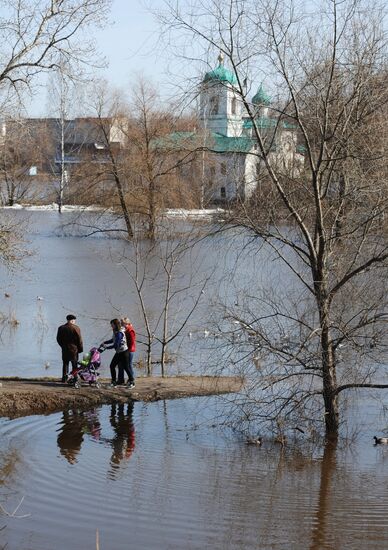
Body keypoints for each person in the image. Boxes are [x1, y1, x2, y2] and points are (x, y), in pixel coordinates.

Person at [100, 318, 133, 387]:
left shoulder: (120, 333)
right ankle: (114, 382)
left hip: (124, 352)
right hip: (119, 352)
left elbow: (116, 345)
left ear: (115, 325)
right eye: (111, 325)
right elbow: (113, 340)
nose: (111, 326)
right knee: (112, 366)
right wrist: (105, 342)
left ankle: (132, 382)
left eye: (112, 325)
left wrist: (106, 347)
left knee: (126, 367)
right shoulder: (115, 331)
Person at [56, 314, 83, 382]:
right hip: (74, 349)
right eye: (74, 320)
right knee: (74, 364)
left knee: (65, 364)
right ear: (72, 320)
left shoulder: (61, 328)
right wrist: (80, 349)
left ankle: (64, 379)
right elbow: (79, 340)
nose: (75, 322)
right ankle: (75, 378)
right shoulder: (76, 328)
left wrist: (62, 346)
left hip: (65, 349)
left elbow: (58, 339)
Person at [121, 317, 136, 388]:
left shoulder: (130, 330)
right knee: (127, 365)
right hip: (127, 350)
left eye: (122, 323)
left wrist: (128, 350)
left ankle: (131, 379)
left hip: (130, 350)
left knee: (129, 365)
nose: (121, 324)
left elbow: (132, 342)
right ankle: (130, 379)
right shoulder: (126, 330)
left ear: (126, 323)